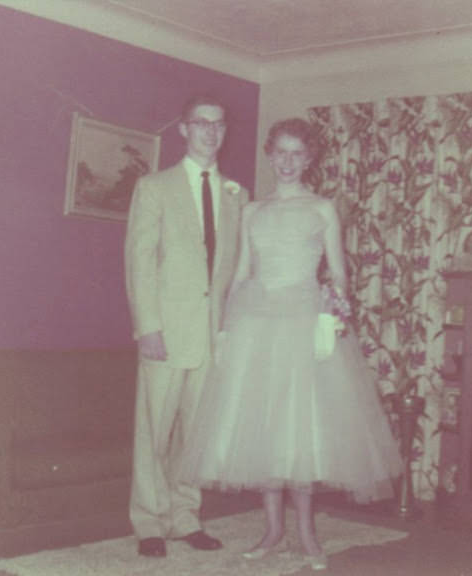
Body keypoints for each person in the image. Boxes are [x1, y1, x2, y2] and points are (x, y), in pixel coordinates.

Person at [178, 118, 401, 571]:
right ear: (269, 153)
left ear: (310, 158)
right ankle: (272, 532)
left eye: (297, 152)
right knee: (262, 431)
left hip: (303, 319)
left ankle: (306, 536)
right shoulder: (252, 210)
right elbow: (241, 273)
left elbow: (338, 274)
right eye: (280, 151)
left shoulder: (322, 208)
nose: (288, 161)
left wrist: (330, 318)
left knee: (299, 431)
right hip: (254, 323)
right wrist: (224, 329)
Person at [124, 95, 249, 558]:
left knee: (195, 436)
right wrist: (148, 327)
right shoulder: (154, 187)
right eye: (201, 123)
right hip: (166, 331)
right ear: (183, 129)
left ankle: (185, 518)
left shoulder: (237, 194)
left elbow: (232, 271)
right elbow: (139, 262)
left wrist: (230, 329)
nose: (211, 132)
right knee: (154, 432)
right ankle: (149, 523)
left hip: (212, 334)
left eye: (219, 124)